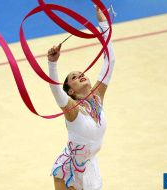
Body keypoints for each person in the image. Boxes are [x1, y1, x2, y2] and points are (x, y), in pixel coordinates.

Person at [47, 6, 115, 190]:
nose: (80, 75)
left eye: (81, 73)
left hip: (90, 164)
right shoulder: (73, 109)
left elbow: (110, 60)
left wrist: (103, 23)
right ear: (70, 91)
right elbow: (55, 90)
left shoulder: (97, 98)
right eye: (74, 77)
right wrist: (52, 63)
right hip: (70, 170)